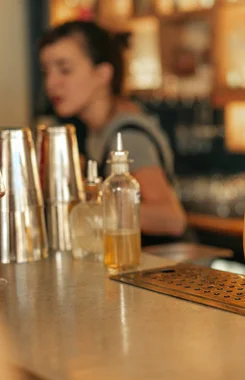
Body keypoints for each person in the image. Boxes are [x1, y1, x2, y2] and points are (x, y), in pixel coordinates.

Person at [39, 21, 187, 246]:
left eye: (65, 69)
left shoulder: (127, 136)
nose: (51, 83)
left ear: (103, 74)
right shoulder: (95, 130)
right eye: (46, 71)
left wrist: (88, 208)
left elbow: (171, 219)